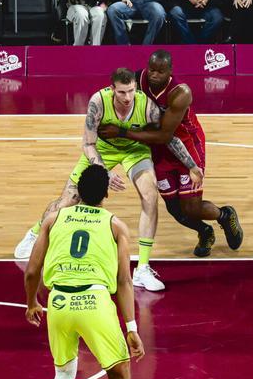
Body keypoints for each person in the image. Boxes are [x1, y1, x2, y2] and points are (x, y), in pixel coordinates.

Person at [15, 68, 202, 293]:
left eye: (131, 91)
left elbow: (167, 138)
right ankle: (34, 233)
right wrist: (103, 170)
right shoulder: (98, 102)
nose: (127, 97)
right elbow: (87, 144)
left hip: (135, 151)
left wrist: (192, 165)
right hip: (101, 150)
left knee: (150, 195)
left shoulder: (146, 106)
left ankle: (142, 268)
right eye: (122, 92)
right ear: (113, 89)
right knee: (68, 200)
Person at [22, 163, 143, 379]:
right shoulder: (115, 225)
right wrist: (131, 328)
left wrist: (31, 304)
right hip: (95, 302)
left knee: (63, 374)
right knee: (120, 375)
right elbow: (124, 281)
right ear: (106, 195)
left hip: (59, 302)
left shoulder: (53, 219)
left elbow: (31, 271)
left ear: (77, 192)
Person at [98, 52, 243, 258]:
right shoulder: (138, 80)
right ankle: (204, 231)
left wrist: (120, 132)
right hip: (157, 148)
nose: (154, 75)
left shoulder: (180, 92)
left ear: (170, 72)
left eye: (160, 71)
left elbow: (166, 135)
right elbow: (118, 91)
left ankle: (224, 215)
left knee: (190, 208)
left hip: (186, 147)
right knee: (175, 209)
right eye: (152, 70)